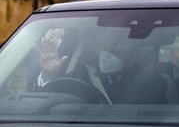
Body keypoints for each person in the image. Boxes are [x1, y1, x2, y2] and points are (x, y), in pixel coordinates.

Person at [32, 32, 168, 104]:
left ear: (133, 53)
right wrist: (49, 75)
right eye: (103, 48)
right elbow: (51, 102)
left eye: (114, 49)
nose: (106, 54)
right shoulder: (82, 74)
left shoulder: (154, 83)